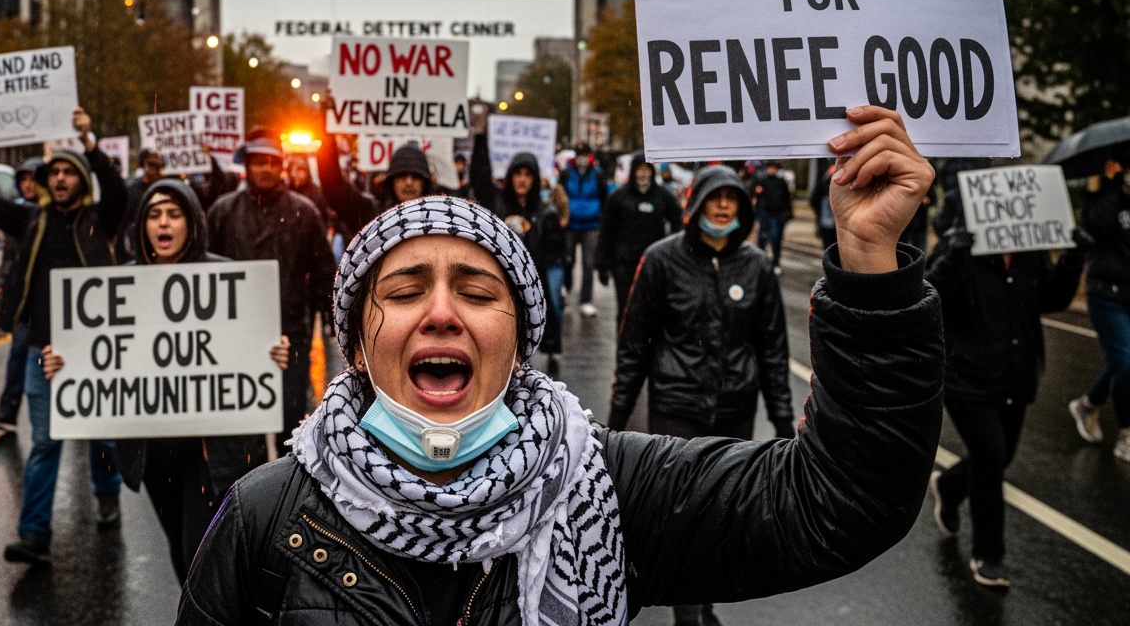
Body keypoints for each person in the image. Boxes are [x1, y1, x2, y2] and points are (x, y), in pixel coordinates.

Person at [176, 106, 942, 625]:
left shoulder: (612, 487)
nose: (441, 313)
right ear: (356, 340)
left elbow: (840, 501)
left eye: (477, 292)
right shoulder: (263, 518)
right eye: (405, 291)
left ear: (518, 339)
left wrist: (870, 262)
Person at [39, 178, 290, 582]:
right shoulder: (117, 284)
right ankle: (199, 607)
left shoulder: (226, 276)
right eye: (154, 214)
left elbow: (251, 347)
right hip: (153, 450)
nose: (164, 222)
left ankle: (208, 611)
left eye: (174, 213)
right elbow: (93, 354)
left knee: (198, 551)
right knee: (178, 547)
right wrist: (62, 364)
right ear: (142, 225)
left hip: (209, 449)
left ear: (192, 222)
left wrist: (272, 354)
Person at [608, 164, 793, 625]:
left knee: (722, 517)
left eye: (732, 198)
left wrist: (784, 425)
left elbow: (773, 350)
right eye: (715, 197)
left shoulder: (756, 267)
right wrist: (614, 422)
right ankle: (688, 619)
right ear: (697, 204)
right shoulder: (660, 260)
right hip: (676, 408)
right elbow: (634, 345)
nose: (724, 206)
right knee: (679, 520)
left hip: (735, 410)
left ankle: (704, 607)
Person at [0, 108, 128, 565]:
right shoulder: (30, 219)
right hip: (42, 349)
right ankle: (34, 534)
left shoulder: (100, 218)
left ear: (82, 180)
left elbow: (118, 191)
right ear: (47, 182)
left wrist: (90, 142)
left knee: (101, 436)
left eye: (70, 172)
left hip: (95, 349)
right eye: (55, 173)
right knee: (46, 441)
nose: (62, 178)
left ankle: (107, 494)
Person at [925, 184, 1088, 589]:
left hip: (1015, 374)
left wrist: (1073, 257)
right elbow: (929, 296)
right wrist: (955, 254)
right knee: (991, 456)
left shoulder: (1031, 249)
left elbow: (1050, 298)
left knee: (1001, 456)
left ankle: (949, 485)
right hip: (966, 378)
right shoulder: (959, 249)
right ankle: (988, 554)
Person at [207, 128, 336, 443]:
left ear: (281, 166)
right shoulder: (222, 212)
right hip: (234, 333)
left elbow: (323, 271)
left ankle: (288, 474)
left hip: (291, 333)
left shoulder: (304, 212)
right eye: (258, 162)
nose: (265, 169)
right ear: (246, 165)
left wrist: (331, 319)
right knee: (240, 424)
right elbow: (205, 273)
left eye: (272, 162)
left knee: (290, 421)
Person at [469, 121, 568, 375]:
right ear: (510, 176)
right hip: (503, 278)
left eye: (528, 174)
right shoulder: (497, 203)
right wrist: (480, 137)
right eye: (518, 173)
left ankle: (549, 350)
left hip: (536, 279)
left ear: (534, 179)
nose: (522, 179)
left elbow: (557, 248)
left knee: (549, 311)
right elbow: (479, 178)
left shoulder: (545, 211)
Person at [1069, 153, 1130, 461]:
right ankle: (1127, 435)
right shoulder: (1099, 197)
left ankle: (1088, 405)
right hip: (1106, 293)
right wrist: (1112, 186)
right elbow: (1097, 227)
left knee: (1125, 359)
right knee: (1126, 361)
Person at [0, 156, 44, 434]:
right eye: (23, 180)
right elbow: (10, 258)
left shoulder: (51, 215)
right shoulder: (18, 213)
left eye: (33, 179)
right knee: (18, 352)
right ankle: (8, 411)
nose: (28, 185)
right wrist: (5, 286)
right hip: (25, 303)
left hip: (50, 299)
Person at [597, 151, 684, 325]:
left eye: (647, 169)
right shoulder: (618, 197)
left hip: (653, 264)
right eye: (640, 169)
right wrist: (602, 263)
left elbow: (678, 220)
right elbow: (607, 231)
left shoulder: (662, 196)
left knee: (653, 310)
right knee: (626, 309)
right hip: (624, 263)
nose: (643, 173)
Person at [317, 134, 434, 237]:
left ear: (424, 182)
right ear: (392, 181)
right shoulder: (373, 215)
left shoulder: (437, 219)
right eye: (402, 176)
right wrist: (327, 141)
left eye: (415, 177)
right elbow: (334, 189)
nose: (409, 182)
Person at [560, 143, 608, 317]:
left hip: (591, 225)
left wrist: (602, 219)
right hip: (570, 225)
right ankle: (566, 290)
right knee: (567, 260)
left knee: (589, 264)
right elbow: (560, 195)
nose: (582, 157)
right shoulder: (567, 173)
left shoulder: (598, 174)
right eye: (579, 154)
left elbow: (604, 198)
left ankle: (586, 300)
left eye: (585, 154)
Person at [120, 148, 165, 261]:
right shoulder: (132, 190)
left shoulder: (166, 188)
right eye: (152, 164)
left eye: (159, 165)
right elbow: (125, 222)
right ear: (144, 164)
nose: (155, 169)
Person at [751, 161, 793, 275]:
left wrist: (788, 212)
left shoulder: (781, 182)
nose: (772, 170)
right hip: (766, 214)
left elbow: (786, 198)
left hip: (778, 214)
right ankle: (762, 263)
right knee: (763, 239)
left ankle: (775, 262)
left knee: (776, 239)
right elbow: (756, 196)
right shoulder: (762, 181)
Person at [811, 161, 839, 252]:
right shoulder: (823, 184)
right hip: (827, 223)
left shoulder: (823, 183)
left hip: (831, 224)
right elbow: (814, 201)